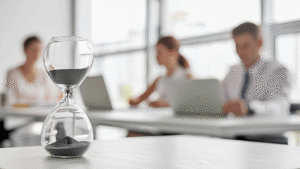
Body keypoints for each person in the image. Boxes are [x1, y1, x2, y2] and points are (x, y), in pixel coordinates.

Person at [222, 22, 290, 117]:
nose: (240, 52)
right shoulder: (232, 72)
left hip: (266, 130)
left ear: (259, 43)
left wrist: (249, 108)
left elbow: (279, 106)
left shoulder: (278, 70)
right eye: (237, 46)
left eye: (245, 46)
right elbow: (222, 99)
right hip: (235, 129)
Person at [129, 36, 193, 108]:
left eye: (159, 52)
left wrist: (166, 105)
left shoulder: (187, 77)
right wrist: (133, 101)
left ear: (173, 52)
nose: (156, 57)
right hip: (160, 116)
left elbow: (191, 103)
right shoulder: (159, 79)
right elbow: (139, 99)